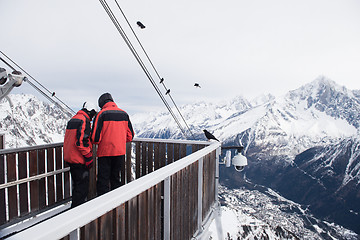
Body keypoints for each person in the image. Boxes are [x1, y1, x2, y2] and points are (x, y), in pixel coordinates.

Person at [91, 93, 134, 196]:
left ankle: (102, 206)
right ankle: (116, 205)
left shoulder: (101, 114)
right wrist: (119, 140)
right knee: (116, 179)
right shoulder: (124, 114)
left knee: (103, 180)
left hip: (105, 153)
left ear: (101, 103)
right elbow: (130, 135)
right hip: (119, 152)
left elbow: (95, 138)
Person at [63, 101, 97, 208]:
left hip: (70, 157)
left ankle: (75, 208)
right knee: (82, 188)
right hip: (79, 159)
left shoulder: (73, 119)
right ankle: (78, 212)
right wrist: (88, 157)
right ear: (91, 112)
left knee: (76, 185)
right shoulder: (84, 120)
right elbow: (81, 141)